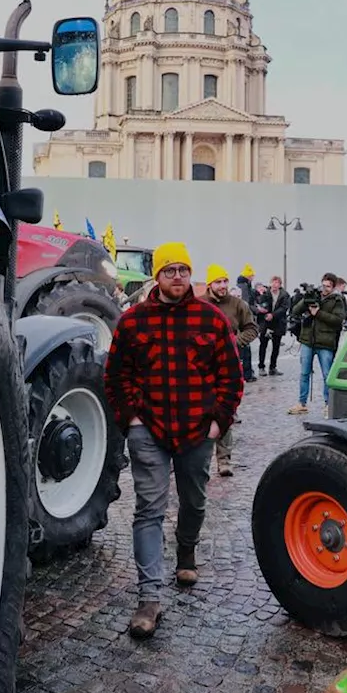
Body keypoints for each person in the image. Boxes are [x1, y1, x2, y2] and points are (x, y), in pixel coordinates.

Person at [103, 242, 244, 638]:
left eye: (183, 269)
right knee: (148, 509)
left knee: (195, 500)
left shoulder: (212, 320)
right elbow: (116, 375)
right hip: (148, 428)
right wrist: (130, 418)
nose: (178, 276)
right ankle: (149, 597)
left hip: (198, 430)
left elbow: (231, 377)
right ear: (158, 276)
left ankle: (186, 549)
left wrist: (218, 423)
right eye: (171, 270)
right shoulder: (134, 321)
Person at [202, 264, 258, 477]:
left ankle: (224, 459)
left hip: (228, 367)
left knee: (224, 411)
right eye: (218, 282)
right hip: (203, 368)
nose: (223, 286)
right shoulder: (200, 305)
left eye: (225, 281)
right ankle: (199, 459)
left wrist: (235, 342)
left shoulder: (238, 305)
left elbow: (252, 328)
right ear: (210, 285)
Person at [287, 272, 347, 417]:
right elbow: (295, 311)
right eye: (323, 285)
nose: (324, 289)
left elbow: (338, 320)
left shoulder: (337, 299)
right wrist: (306, 299)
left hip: (325, 342)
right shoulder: (315, 295)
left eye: (328, 286)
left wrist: (318, 313)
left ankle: (329, 404)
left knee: (327, 374)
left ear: (333, 287)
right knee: (304, 373)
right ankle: (302, 403)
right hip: (308, 339)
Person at [235, 264, 258, 381]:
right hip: (244, 321)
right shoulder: (243, 286)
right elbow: (245, 304)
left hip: (244, 320)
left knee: (245, 349)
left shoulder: (244, 285)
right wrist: (257, 309)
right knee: (244, 348)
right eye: (252, 275)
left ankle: (247, 372)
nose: (253, 278)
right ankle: (246, 373)